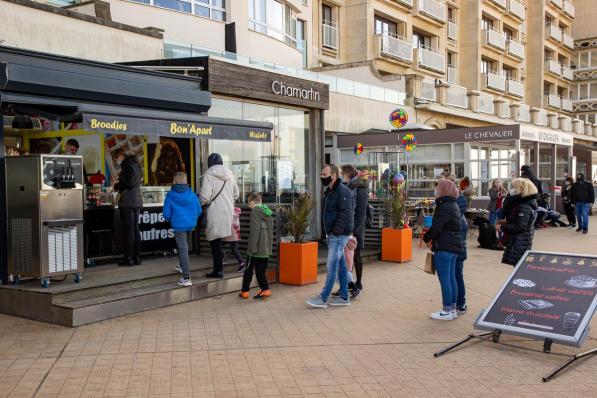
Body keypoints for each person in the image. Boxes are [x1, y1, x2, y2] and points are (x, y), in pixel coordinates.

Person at [306, 164, 354, 308]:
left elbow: (345, 213)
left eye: (324, 174)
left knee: (331, 267)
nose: (322, 177)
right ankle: (345, 297)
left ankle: (323, 298)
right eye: (321, 174)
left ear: (333, 175)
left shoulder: (342, 191)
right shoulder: (331, 191)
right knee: (341, 267)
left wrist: (335, 232)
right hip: (334, 234)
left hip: (338, 235)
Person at [423, 179, 463, 321]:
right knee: (451, 278)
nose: (436, 191)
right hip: (453, 247)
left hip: (444, 247)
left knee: (445, 279)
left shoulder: (444, 206)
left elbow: (437, 227)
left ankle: (446, 310)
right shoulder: (454, 204)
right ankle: (452, 309)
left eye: (438, 188)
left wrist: (426, 238)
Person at [199, 153, 239, 278]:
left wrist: (202, 203)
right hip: (228, 211)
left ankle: (218, 270)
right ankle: (219, 268)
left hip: (214, 211)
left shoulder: (208, 175)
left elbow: (204, 197)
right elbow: (236, 194)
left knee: (215, 242)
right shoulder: (230, 174)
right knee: (221, 239)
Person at [163, 172, 201, 287]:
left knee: (183, 249)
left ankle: (186, 277)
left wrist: (173, 220)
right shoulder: (192, 194)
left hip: (179, 226)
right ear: (186, 182)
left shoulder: (170, 195)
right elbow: (199, 210)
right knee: (184, 247)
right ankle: (181, 265)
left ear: (174, 182)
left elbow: (166, 213)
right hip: (190, 225)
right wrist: (191, 219)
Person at [239, 193, 274, 300]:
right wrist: (269, 248)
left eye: (249, 203)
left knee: (248, 270)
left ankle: (245, 291)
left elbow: (255, 231)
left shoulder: (255, 211)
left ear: (253, 202)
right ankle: (266, 290)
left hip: (255, 249)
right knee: (260, 271)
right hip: (265, 248)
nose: (248, 205)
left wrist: (252, 248)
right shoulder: (267, 212)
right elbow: (270, 232)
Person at [341, 165, 368, 297]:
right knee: (349, 256)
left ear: (347, 173)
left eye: (342, 173)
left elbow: (361, 212)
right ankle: (348, 284)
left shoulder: (360, 187)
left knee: (356, 255)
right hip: (350, 226)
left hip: (357, 227)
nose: (341, 176)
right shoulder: (349, 186)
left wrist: (354, 229)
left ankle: (359, 284)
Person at [498, 178, 538, 266]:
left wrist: (502, 227)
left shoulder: (524, 206)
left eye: (514, 187)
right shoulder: (521, 203)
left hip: (520, 243)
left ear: (521, 189)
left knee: (519, 269)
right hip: (518, 242)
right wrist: (506, 222)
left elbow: (521, 227)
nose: (512, 189)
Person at [114, 153, 143, 266]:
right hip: (137, 200)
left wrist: (117, 186)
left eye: (117, 158)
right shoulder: (137, 165)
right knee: (135, 230)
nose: (117, 161)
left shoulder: (127, 166)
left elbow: (128, 183)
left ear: (122, 157)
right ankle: (137, 258)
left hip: (127, 202)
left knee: (128, 231)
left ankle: (129, 259)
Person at [223, 207, 246, 272]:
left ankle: (224, 259)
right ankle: (242, 263)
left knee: (220, 246)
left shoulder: (229, 211)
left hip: (230, 232)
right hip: (236, 233)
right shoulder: (236, 212)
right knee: (234, 248)